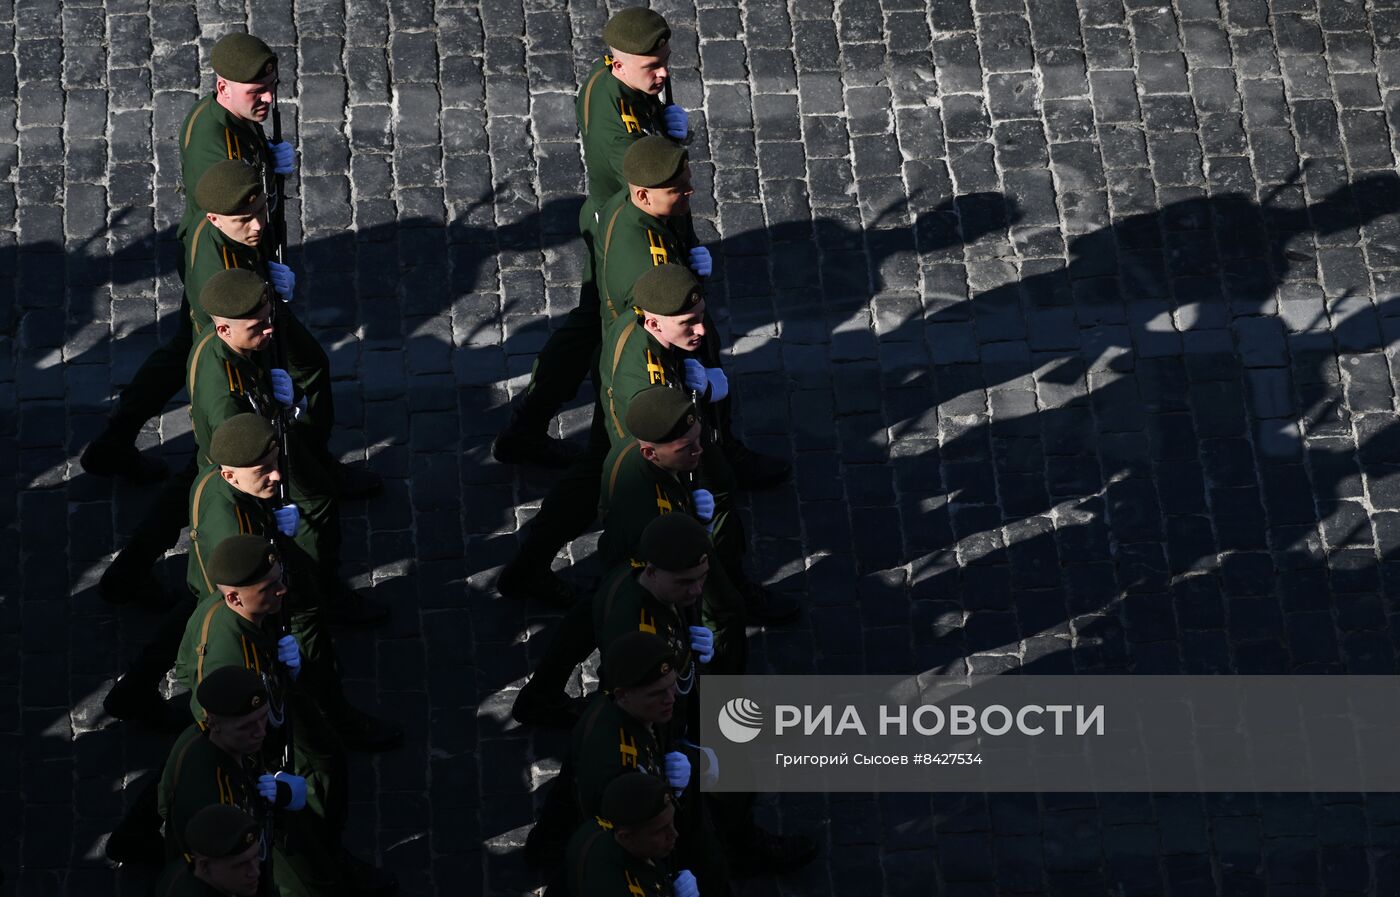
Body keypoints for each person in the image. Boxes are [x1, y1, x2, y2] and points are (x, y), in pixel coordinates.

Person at [81, 32, 295, 483]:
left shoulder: (227, 116)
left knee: (183, 353)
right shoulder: (217, 143)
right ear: (224, 87)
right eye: (259, 91)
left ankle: (115, 440)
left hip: (224, 262)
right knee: (222, 372)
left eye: (272, 87)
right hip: (223, 271)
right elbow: (232, 209)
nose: (270, 99)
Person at [492, 6, 688, 469]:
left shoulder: (614, 81)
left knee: (585, 332)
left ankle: (526, 429)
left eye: (665, 63)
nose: (662, 74)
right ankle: (613, 452)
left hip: (610, 223)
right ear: (619, 63)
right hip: (623, 238)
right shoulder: (617, 124)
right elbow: (648, 187)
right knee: (624, 345)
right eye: (652, 67)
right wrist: (670, 144)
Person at [173, 535, 396, 895]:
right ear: (234, 596)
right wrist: (262, 774)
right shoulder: (227, 657)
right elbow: (220, 724)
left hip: (271, 715)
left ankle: (329, 850)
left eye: (280, 578)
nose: (282, 590)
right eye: (270, 586)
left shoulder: (238, 611)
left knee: (325, 756)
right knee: (303, 874)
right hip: (258, 768)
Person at [512, 504, 720, 730]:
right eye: (685, 582)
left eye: (702, 578)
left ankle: (541, 695)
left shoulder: (639, 575)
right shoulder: (637, 630)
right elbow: (639, 707)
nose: (697, 590)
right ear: (652, 572)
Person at [565, 772, 700, 897]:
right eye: (661, 830)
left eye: (671, 822)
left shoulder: (597, 829)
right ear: (626, 837)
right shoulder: (619, 889)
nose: (674, 834)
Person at [154, 804, 264, 897]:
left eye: (256, 856)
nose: (255, 872)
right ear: (204, 866)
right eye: (241, 865)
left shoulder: (185, 868)